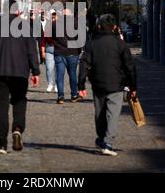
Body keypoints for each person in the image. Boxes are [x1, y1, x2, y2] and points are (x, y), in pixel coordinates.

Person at [0, 0, 40, 154]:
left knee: (1, 108)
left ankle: (1, 145)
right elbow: (32, 51)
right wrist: (35, 71)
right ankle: (17, 129)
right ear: (18, 11)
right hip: (20, 72)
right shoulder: (25, 27)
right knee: (19, 101)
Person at [78, 14, 137, 156]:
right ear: (115, 27)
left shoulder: (92, 44)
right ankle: (108, 142)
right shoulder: (120, 44)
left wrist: (81, 84)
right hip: (116, 84)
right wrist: (133, 86)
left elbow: (84, 64)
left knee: (100, 113)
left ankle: (101, 137)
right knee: (113, 114)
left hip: (97, 84)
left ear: (99, 26)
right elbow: (130, 66)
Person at [51, 8, 81, 104]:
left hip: (59, 52)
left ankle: (60, 96)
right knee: (72, 74)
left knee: (59, 75)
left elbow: (51, 37)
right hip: (73, 52)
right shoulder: (76, 23)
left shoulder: (55, 24)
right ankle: (74, 95)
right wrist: (79, 50)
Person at [40, 9, 57, 92]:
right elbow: (43, 40)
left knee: (58, 69)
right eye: (52, 15)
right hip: (49, 49)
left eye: (54, 15)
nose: (53, 17)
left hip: (59, 50)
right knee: (49, 68)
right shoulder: (47, 26)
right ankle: (50, 83)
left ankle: (58, 84)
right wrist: (42, 51)